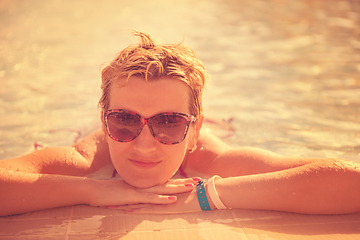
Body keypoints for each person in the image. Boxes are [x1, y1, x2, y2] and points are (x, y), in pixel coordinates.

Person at [1, 30, 360, 217]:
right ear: (103, 120)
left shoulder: (212, 160)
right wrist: (95, 190)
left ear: (195, 131)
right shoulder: (88, 157)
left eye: (169, 124)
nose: (143, 145)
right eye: (124, 121)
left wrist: (207, 196)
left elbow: (350, 181)